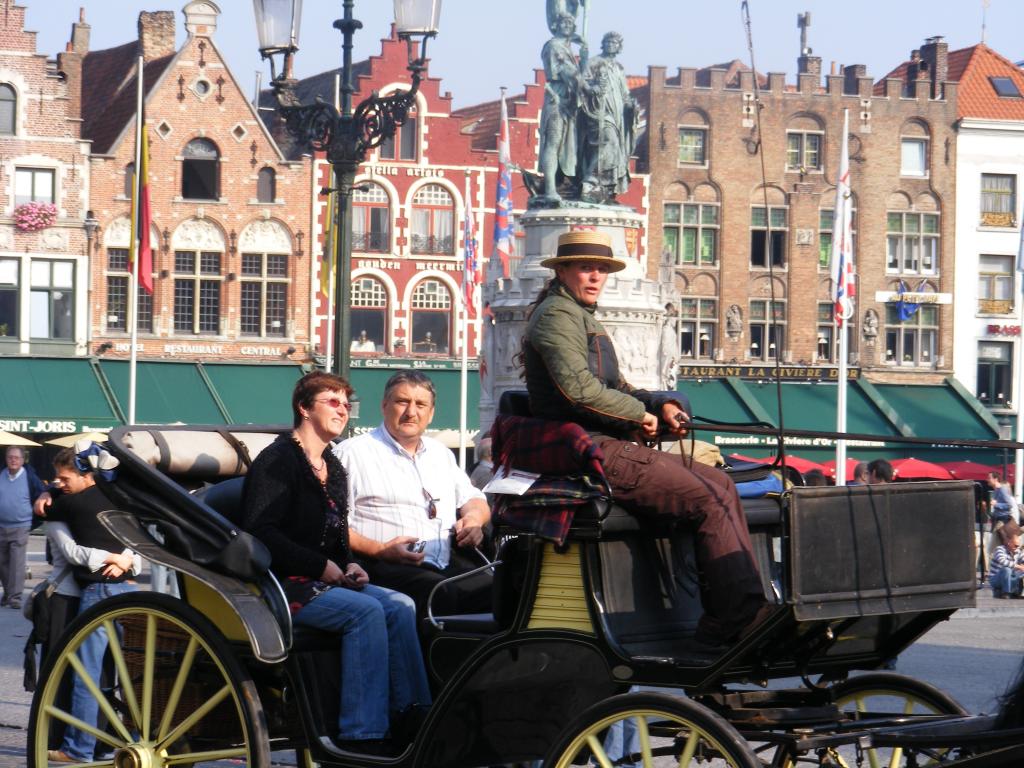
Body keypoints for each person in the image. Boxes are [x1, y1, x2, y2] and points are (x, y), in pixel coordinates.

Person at [521, 230, 770, 648]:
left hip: (607, 441)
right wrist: (639, 414)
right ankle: (733, 620)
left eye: (601, 268)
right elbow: (577, 390)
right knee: (708, 498)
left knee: (723, 483)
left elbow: (617, 386)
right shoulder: (556, 317)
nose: (595, 275)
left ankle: (740, 607)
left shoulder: (581, 316)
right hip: (589, 449)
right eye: (585, 267)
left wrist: (661, 403)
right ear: (562, 271)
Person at [243, 371, 431, 756]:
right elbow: (261, 531)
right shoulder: (278, 460)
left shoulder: (333, 465)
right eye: (332, 402)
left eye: (346, 404)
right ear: (304, 408)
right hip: (283, 585)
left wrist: (349, 563)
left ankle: (414, 717)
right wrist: (320, 566)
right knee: (365, 613)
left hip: (322, 579)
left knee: (401, 606)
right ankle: (362, 734)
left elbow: (335, 532)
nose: (343, 410)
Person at [334, 370, 492, 619]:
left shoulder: (441, 454)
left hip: (445, 562)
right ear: (384, 405)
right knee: (440, 594)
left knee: (502, 590)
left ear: (431, 414)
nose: (411, 412)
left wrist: (473, 520)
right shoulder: (351, 454)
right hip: (382, 566)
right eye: (402, 402)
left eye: (420, 404)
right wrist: (380, 550)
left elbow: (474, 499)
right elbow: (331, 524)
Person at [45, 443, 142, 765]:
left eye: (64, 477)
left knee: (86, 674)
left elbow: (51, 513)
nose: (60, 483)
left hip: (97, 592)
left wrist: (47, 496)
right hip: (128, 590)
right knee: (125, 674)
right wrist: (125, 560)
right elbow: (139, 544)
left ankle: (78, 748)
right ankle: (130, 739)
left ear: (85, 473)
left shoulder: (70, 505)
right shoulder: (119, 499)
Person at [579, 31, 639, 202]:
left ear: (619, 47)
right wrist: (593, 89)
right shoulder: (594, 63)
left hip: (617, 114)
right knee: (608, 141)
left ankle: (605, 187)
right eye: (607, 42)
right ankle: (590, 181)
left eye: (614, 42)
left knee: (615, 149)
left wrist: (630, 105)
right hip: (598, 111)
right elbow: (581, 82)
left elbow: (624, 93)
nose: (610, 45)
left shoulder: (619, 68)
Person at [538, 12, 584, 200]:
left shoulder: (567, 48)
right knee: (553, 144)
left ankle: (561, 184)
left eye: (570, 23)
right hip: (557, 99)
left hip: (569, 103)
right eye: (563, 22)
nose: (567, 25)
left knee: (567, 148)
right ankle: (549, 189)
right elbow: (567, 73)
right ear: (556, 25)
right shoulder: (554, 46)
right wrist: (587, 84)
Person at [0, 446, 45, 609]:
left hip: (21, 526)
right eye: (10, 457)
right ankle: (8, 593)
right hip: (1, 526)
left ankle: (15, 597)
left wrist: (34, 521)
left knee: (17, 563)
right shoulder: (1, 475)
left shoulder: (29, 477)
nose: (13, 460)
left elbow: (42, 495)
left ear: (22, 460)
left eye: (16, 458)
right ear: (6, 459)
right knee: (2, 563)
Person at [988, 520, 1024, 599]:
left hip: (1010, 576)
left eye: (1018, 546)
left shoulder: (1018, 551)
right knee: (1006, 570)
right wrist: (1018, 566)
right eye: (1015, 545)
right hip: (995, 578)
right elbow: (1003, 561)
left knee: (1021, 573)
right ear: (1009, 542)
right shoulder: (999, 549)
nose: (1017, 547)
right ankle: (1006, 592)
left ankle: (1018, 592)